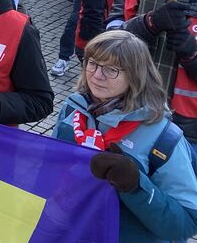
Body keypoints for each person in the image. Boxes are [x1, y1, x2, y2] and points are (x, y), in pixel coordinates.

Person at [52, 31, 197, 243]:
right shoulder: (72, 110)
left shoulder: (164, 138)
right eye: (92, 63)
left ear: (135, 76)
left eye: (111, 69)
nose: (97, 75)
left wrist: (135, 185)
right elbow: (51, 174)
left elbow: (185, 225)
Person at [108, 0, 197, 134]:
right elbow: (106, 45)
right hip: (123, 112)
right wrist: (149, 24)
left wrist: (191, 53)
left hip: (183, 128)